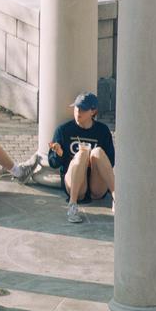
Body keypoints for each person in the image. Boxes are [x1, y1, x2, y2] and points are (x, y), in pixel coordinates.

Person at [46, 91, 115, 223]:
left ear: (93, 112)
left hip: (96, 186)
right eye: (77, 108)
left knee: (98, 152)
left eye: (83, 109)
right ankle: (72, 204)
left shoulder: (102, 131)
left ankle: (117, 198)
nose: (78, 112)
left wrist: (92, 161)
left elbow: (110, 162)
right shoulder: (63, 130)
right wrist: (58, 154)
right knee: (82, 153)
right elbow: (53, 163)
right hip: (74, 185)